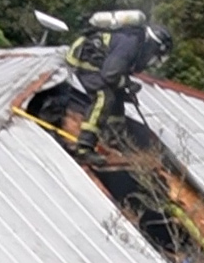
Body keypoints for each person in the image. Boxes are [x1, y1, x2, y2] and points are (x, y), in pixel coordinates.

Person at [65, 11, 173, 161]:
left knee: (118, 96)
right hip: (85, 61)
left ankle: (114, 139)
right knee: (104, 97)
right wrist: (127, 83)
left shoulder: (136, 42)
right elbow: (110, 75)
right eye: (155, 57)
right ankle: (84, 147)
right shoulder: (131, 43)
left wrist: (125, 88)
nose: (152, 62)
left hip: (100, 65)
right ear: (152, 46)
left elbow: (114, 73)